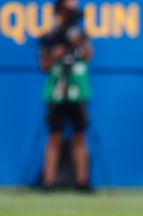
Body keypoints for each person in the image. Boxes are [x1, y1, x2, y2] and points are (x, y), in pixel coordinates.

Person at [38, 0, 92, 192]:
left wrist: (79, 43)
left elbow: (88, 56)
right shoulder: (50, 37)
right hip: (57, 93)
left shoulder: (81, 35)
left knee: (80, 136)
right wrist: (54, 55)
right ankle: (48, 181)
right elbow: (44, 65)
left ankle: (82, 182)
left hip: (78, 92)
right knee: (54, 136)